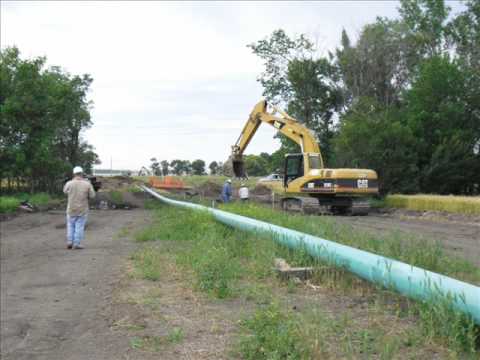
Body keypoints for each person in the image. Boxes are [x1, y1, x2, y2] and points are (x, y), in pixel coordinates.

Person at [63, 166, 95, 249]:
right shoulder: (87, 184)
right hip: (82, 209)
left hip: (71, 209)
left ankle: (70, 242)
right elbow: (92, 195)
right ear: (82, 173)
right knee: (79, 227)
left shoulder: (69, 183)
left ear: (74, 173)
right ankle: (76, 243)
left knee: (70, 226)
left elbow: (65, 191)